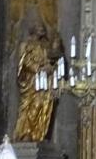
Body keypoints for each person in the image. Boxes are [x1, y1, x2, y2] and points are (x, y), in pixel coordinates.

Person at [13, 11, 62, 143]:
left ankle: (38, 133)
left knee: (43, 106)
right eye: (39, 26)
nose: (42, 28)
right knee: (31, 107)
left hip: (44, 83)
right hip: (32, 82)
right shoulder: (26, 45)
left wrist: (50, 68)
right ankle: (25, 133)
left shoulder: (44, 46)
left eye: (42, 26)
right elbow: (24, 62)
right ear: (32, 28)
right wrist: (39, 69)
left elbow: (50, 60)